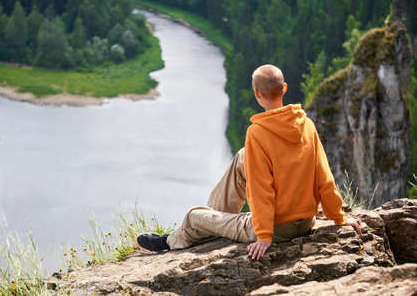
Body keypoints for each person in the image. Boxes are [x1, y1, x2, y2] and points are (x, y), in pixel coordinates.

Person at [137, 64, 362, 260]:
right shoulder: (307, 125)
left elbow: (260, 188)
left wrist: (264, 236)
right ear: (284, 89)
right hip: (305, 222)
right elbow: (325, 178)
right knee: (243, 157)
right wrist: (339, 217)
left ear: (257, 94)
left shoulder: (258, 133)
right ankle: (214, 222)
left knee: (193, 216)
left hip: (276, 229)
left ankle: (173, 241)